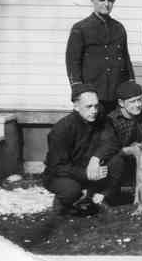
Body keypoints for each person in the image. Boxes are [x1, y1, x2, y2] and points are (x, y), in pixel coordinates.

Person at [43, 84, 125, 215]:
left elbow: (111, 141)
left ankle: (99, 198)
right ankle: (65, 203)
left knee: (117, 161)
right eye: (89, 106)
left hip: (90, 166)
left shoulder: (101, 118)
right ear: (76, 107)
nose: (94, 110)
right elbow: (57, 167)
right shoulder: (62, 129)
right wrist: (85, 174)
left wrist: (96, 159)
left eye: (96, 105)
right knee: (71, 190)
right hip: (63, 174)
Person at [66, 0, 134, 113]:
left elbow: (126, 58)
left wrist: (130, 85)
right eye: (102, 0)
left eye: (110, 0)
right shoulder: (81, 28)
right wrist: (78, 91)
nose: (106, 4)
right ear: (93, 0)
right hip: (92, 94)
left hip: (116, 93)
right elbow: (72, 62)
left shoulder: (119, 28)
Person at [92, 80, 142, 191]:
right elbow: (108, 148)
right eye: (132, 101)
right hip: (124, 160)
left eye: (139, 100)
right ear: (121, 103)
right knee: (115, 162)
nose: (138, 105)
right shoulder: (112, 120)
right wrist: (129, 150)